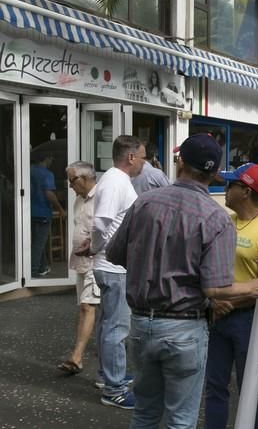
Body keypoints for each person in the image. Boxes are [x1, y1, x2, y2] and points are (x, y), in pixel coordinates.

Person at [105, 134, 258, 428]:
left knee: (144, 413)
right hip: (185, 327)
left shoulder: (144, 202)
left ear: (180, 163)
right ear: (215, 173)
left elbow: (114, 253)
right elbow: (215, 288)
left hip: (142, 322)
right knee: (180, 420)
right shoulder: (216, 218)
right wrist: (254, 287)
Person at [204, 163, 258, 429]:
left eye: (231, 185)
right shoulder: (224, 222)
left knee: (250, 387)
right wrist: (214, 302)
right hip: (218, 315)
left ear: (245, 190)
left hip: (248, 319)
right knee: (215, 385)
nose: (225, 190)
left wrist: (228, 301)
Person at [76, 135, 146, 409]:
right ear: (130, 157)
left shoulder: (115, 180)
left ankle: (108, 376)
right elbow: (102, 222)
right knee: (117, 328)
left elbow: (103, 225)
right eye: (141, 157)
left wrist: (94, 248)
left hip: (110, 265)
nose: (143, 162)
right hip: (114, 267)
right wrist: (94, 248)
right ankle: (114, 389)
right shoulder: (117, 181)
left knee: (108, 326)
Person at [57, 161, 98, 375]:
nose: (70, 185)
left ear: (85, 178)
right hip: (81, 261)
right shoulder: (78, 200)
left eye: (72, 180)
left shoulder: (101, 198)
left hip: (98, 261)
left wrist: (91, 246)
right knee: (84, 308)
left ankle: (76, 357)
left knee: (87, 306)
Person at [30, 153, 66, 277]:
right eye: (51, 158)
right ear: (46, 158)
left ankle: (42, 267)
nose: (52, 161)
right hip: (42, 212)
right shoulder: (47, 174)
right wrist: (60, 208)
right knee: (39, 243)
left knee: (37, 241)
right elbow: (49, 194)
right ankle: (33, 271)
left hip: (29, 212)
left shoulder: (29, 170)